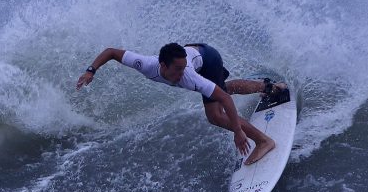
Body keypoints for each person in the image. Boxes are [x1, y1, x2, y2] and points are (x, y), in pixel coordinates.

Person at [76, 43, 283, 165]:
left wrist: (238, 131)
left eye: (183, 69)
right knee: (222, 88)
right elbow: (112, 52)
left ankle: (264, 141)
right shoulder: (146, 64)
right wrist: (91, 70)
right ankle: (268, 88)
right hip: (196, 51)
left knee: (215, 114)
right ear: (162, 65)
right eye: (177, 69)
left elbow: (225, 101)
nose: (181, 73)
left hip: (208, 59)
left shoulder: (189, 76)